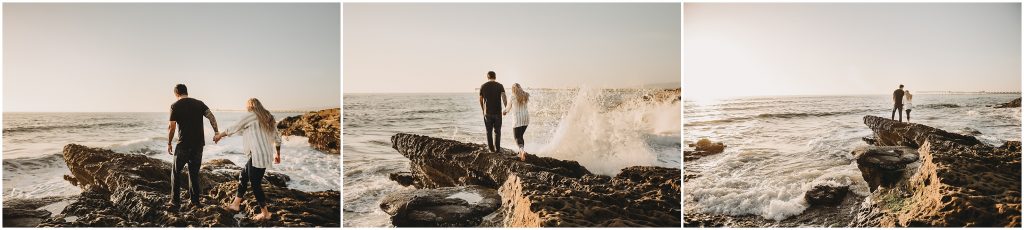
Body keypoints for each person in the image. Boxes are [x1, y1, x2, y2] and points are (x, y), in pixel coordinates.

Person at [214, 98, 282, 221]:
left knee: (255, 184)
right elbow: (277, 136)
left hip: (257, 154)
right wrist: (278, 153)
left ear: (250, 106)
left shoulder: (251, 115)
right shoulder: (268, 117)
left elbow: (235, 126)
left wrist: (220, 135)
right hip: (262, 154)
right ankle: (235, 204)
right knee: (243, 176)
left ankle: (265, 213)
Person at [168, 84, 219, 210]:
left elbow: (172, 127)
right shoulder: (199, 103)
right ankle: (195, 202)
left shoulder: (174, 106)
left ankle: (175, 202)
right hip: (198, 145)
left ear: (176, 93)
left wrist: (169, 142)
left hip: (183, 145)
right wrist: (216, 132)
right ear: (186, 92)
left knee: (176, 172)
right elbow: (211, 117)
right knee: (194, 173)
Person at [479, 71, 507, 153]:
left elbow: (480, 99)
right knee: (497, 131)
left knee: (488, 131)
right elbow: (504, 97)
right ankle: (497, 149)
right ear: (495, 77)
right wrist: (506, 108)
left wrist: (482, 109)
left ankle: (491, 149)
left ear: (488, 77)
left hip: (487, 113)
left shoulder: (483, 86)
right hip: (498, 112)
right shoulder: (500, 86)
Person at [503, 83, 530, 161]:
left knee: (517, 137)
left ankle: (521, 151)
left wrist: (504, 112)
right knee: (520, 136)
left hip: (517, 119)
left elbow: (507, 108)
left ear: (513, 89)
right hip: (526, 118)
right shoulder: (526, 95)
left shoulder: (512, 96)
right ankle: (521, 154)